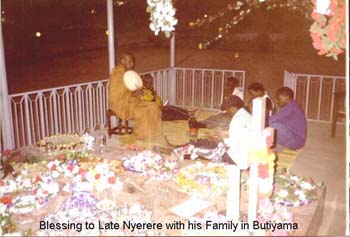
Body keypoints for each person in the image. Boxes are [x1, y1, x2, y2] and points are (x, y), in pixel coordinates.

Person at [108, 53, 163, 140]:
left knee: (154, 106)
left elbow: (132, 87)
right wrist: (134, 94)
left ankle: (155, 134)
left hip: (131, 101)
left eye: (132, 62)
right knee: (143, 111)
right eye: (129, 62)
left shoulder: (128, 73)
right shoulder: (117, 74)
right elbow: (117, 95)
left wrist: (140, 91)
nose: (132, 64)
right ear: (123, 61)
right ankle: (141, 136)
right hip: (121, 104)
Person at [221, 95, 253, 168]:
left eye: (227, 109)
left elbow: (232, 145)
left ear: (233, 108)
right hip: (250, 157)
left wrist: (221, 138)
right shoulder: (247, 115)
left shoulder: (237, 119)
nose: (227, 112)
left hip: (238, 160)